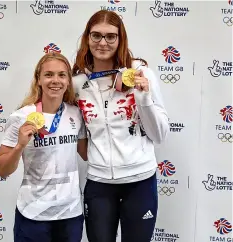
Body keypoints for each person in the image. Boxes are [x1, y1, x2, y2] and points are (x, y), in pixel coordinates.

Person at [72, 10, 169, 242]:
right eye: (96, 35)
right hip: (99, 183)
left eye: (110, 36)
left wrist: (143, 98)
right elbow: (79, 132)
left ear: (120, 39)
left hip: (140, 182)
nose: (102, 43)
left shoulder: (140, 74)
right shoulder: (77, 83)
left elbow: (159, 135)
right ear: (87, 38)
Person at [0, 52, 87, 242]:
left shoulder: (77, 114)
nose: (55, 80)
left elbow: (87, 154)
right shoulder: (21, 117)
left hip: (70, 214)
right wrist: (20, 146)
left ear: (69, 81)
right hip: (32, 213)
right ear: (38, 80)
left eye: (62, 75)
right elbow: (2, 169)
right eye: (48, 74)